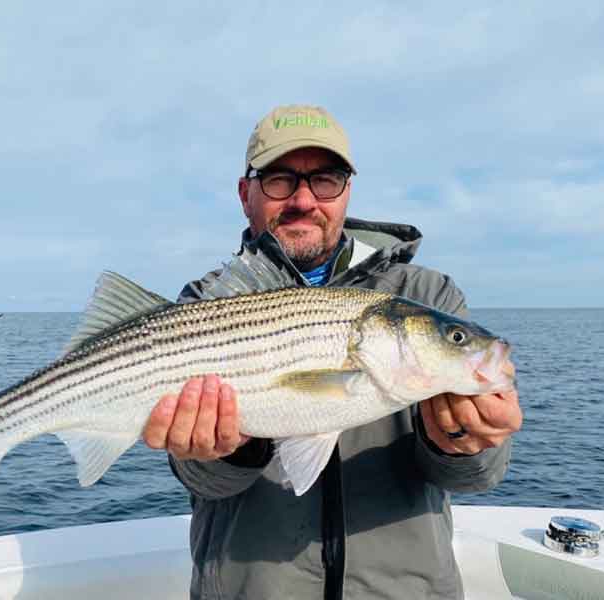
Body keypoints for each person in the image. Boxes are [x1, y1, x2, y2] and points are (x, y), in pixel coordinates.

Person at [142, 104, 522, 599]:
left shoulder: (428, 295)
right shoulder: (205, 303)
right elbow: (204, 482)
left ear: (346, 192)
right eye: (279, 180)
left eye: (326, 180)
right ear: (245, 193)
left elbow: (480, 476)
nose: (304, 200)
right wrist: (227, 450)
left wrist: (463, 443)